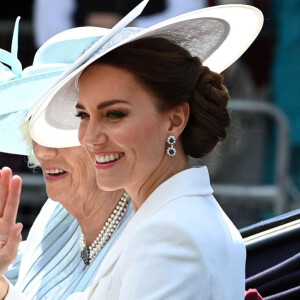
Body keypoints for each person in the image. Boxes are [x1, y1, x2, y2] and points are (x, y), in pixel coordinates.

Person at [20, 2, 264, 299]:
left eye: (114, 115)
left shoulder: (170, 235)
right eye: (83, 115)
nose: (90, 137)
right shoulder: (163, 218)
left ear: (175, 120)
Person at [0, 21, 134, 299]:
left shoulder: (148, 233)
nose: (42, 152)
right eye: (36, 129)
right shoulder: (57, 212)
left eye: (60, 129)